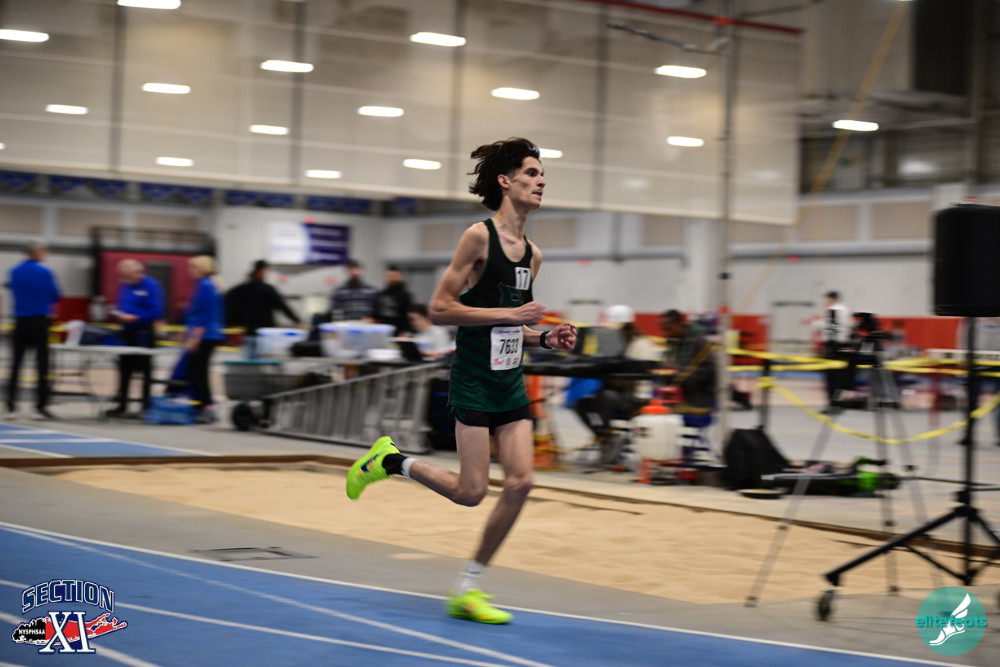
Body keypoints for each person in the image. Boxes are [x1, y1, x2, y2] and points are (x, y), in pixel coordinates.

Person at [344, 137, 577, 624]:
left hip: (509, 380)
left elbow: (514, 325)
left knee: (522, 483)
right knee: (471, 493)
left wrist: (545, 337)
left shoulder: (533, 255)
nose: (541, 181)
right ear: (505, 181)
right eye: (532, 173)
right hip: (473, 378)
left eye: (542, 175)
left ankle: (468, 588)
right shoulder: (478, 237)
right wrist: (510, 315)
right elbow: (440, 308)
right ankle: (390, 460)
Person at [573, 304, 659, 437]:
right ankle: (604, 437)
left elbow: (633, 379)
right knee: (581, 404)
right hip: (621, 392)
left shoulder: (641, 344)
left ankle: (608, 437)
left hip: (637, 398)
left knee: (602, 396)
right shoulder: (620, 343)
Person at [5, 239, 61, 420]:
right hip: (39, 322)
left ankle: (11, 406)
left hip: (20, 322)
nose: (45, 254)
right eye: (43, 251)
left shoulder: (14, 271)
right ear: (36, 252)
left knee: (16, 365)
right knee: (42, 365)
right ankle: (40, 407)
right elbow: (55, 296)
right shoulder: (45, 272)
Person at [105, 259, 165, 417]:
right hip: (127, 332)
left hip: (143, 332)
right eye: (123, 276)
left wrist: (137, 317)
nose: (125, 279)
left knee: (145, 370)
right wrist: (119, 314)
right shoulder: (124, 285)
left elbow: (157, 311)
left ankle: (145, 406)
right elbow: (122, 305)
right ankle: (122, 405)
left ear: (137, 272)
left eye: (128, 276)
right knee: (124, 369)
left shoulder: (151, 285)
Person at [225, 259, 301, 359]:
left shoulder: (239, 290)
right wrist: (297, 321)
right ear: (262, 271)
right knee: (264, 362)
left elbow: (228, 305)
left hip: (247, 331)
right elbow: (283, 307)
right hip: (265, 334)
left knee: (249, 362)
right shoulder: (268, 289)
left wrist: (230, 323)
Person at [182, 255, 225, 424]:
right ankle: (203, 406)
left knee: (197, 373)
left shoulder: (206, 285)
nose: (189, 270)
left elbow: (206, 314)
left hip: (205, 335)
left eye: (192, 267)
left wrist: (195, 338)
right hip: (204, 334)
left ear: (201, 268)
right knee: (197, 372)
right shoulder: (204, 284)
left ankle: (208, 407)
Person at [660, 309, 717, 413]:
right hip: (677, 399)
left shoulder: (698, 341)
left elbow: (711, 371)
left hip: (698, 400)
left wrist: (679, 369)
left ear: (678, 324)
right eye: (664, 330)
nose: (667, 333)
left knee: (660, 414)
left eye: (669, 329)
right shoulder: (674, 343)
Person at [814, 290, 851, 412]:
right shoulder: (845, 310)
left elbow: (822, 327)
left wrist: (817, 320)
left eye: (826, 299)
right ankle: (837, 402)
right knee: (840, 376)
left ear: (831, 299)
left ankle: (832, 404)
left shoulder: (831, 310)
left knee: (831, 377)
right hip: (843, 345)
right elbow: (848, 327)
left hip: (832, 346)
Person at [372, 265, 414, 335]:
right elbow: (376, 313)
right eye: (389, 276)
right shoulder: (381, 294)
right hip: (382, 331)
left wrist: (406, 332)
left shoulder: (405, 295)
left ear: (400, 277)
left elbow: (408, 316)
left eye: (394, 276)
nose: (392, 279)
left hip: (399, 332)